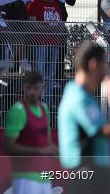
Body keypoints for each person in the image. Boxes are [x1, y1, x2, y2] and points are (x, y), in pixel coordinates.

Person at [58, 42, 110, 187]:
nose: (104, 74)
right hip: (88, 175)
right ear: (93, 64)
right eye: (103, 67)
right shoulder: (78, 97)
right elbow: (101, 132)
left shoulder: (83, 95)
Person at [4, 71, 57, 194]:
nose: (32, 92)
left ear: (43, 88)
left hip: (44, 176)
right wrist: (37, 151)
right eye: (28, 88)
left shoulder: (45, 108)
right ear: (23, 87)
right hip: (25, 177)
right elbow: (8, 147)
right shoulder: (18, 110)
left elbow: (48, 144)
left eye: (35, 88)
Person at [26, 0, 65, 103]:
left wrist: (54, 29)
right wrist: (50, 29)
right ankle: (38, 100)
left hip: (54, 43)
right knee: (40, 73)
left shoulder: (56, 4)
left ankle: (47, 101)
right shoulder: (35, 3)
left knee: (50, 75)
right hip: (40, 43)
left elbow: (61, 24)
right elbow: (32, 23)